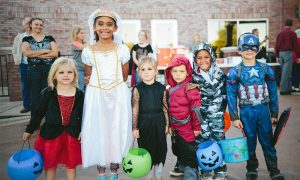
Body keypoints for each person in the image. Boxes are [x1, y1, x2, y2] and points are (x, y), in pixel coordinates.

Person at [80, 8, 132, 180]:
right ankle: (101, 173)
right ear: (94, 27)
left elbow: (124, 75)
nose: (105, 28)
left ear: (115, 28)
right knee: (98, 130)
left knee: (116, 130)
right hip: (96, 96)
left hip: (117, 94)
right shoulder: (88, 51)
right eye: (100, 24)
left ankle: (114, 172)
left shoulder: (122, 49)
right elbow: (89, 75)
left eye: (109, 24)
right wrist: (93, 83)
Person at [227, 33, 284, 180]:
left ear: (258, 49)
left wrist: (274, 113)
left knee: (268, 142)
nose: (249, 50)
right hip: (246, 111)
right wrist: (234, 116)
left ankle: (274, 170)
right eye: (245, 47)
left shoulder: (266, 69)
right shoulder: (235, 72)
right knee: (249, 142)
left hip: (263, 110)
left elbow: (273, 93)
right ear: (239, 50)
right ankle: (251, 169)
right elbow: (231, 95)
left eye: (253, 47)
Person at [22, 58, 84, 180]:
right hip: (51, 134)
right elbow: (38, 113)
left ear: (75, 75)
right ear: (54, 75)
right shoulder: (48, 93)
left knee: (70, 165)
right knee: (50, 164)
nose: (66, 75)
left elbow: (83, 115)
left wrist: (83, 130)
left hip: (72, 135)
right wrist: (29, 130)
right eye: (61, 72)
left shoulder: (80, 94)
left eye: (69, 72)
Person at [192, 42, 227, 180]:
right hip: (200, 118)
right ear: (195, 59)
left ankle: (220, 171)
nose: (203, 60)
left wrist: (223, 113)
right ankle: (205, 170)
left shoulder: (220, 75)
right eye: (199, 57)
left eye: (206, 56)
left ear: (211, 57)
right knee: (202, 142)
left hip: (217, 117)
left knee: (218, 142)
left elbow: (225, 96)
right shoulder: (193, 77)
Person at [132, 56, 169, 180]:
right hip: (144, 123)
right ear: (139, 72)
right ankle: (148, 173)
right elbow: (135, 109)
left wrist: (167, 124)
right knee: (146, 148)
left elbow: (165, 107)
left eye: (149, 69)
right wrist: (134, 127)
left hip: (159, 122)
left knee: (160, 147)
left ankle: (158, 174)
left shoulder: (161, 88)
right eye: (143, 69)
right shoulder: (137, 89)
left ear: (156, 71)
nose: (146, 72)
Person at [165, 55, 202, 180]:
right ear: (170, 72)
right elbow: (170, 109)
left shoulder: (190, 88)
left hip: (188, 128)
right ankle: (182, 166)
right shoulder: (171, 89)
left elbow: (196, 110)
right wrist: (170, 125)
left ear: (187, 72)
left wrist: (197, 127)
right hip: (176, 128)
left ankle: (191, 173)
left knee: (189, 151)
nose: (178, 74)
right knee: (177, 148)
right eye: (175, 71)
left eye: (181, 71)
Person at [22, 17, 58, 115]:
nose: (39, 26)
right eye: (36, 24)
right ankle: (35, 121)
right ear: (31, 25)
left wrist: (35, 54)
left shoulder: (49, 38)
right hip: (33, 70)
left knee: (48, 94)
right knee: (34, 96)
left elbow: (55, 53)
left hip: (48, 69)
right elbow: (26, 53)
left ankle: (48, 120)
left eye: (41, 25)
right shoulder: (27, 39)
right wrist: (44, 51)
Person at [275, 19, 300, 95]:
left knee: (285, 72)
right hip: (288, 53)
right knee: (286, 72)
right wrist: (298, 56)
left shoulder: (280, 33)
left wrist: (277, 56)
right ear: (291, 25)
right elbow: (295, 46)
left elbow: (277, 45)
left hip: (280, 53)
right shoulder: (292, 33)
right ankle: (283, 90)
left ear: (284, 24)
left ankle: (288, 89)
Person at [12, 17, 31, 113]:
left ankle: (37, 105)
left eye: (30, 22)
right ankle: (27, 105)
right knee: (25, 85)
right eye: (27, 23)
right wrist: (17, 59)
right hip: (23, 65)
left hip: (35, 65)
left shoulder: (36, 36)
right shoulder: (20, 37)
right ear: (23, 25)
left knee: (36, 85)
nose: (29, 25)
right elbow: (14, 50)